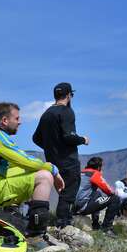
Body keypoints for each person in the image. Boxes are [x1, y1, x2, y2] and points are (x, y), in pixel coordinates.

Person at [0, 102, 64, 238]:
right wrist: (53, 169)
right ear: (4, 120)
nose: (20, 122)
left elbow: (16, 164)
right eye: (17, 118)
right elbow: (25, 160)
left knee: (34, 171)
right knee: (44, 176)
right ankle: (36, 232)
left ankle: (12, 210)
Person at [33, 82, 89, 228]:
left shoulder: (46, 114)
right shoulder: (66, 112)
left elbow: (36, 138)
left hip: (52, 161)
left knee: (62, 192)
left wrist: (51, 148)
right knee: (68, 193)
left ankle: (59, 223)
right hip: (68, 160)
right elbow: (69, 137)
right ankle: (63, 225)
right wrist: (83, 139)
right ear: (69, 95)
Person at [75, 157, 120, 234]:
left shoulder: (81, 172)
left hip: (73, 207)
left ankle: (95, 224)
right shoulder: (95, 174)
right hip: (83, 207)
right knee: (115, 199)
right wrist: (114, 192)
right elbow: (108, 190)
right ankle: (107, 228)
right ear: (99, 167)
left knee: (97, 194)